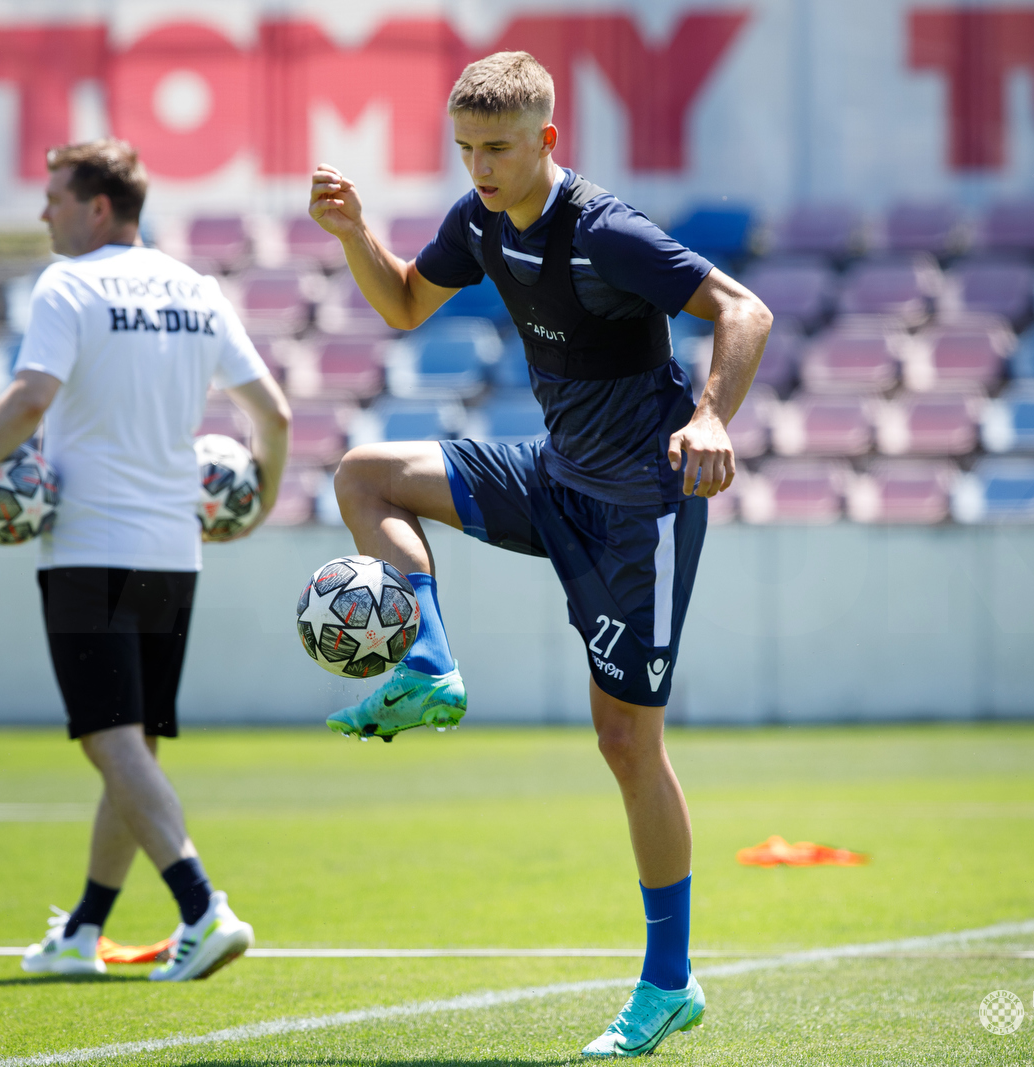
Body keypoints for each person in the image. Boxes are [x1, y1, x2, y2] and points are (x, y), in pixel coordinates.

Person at [308, 52, 771, 1057]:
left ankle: (666, 982)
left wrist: (709, 419)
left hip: (634, 507)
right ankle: (429, 662)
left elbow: (745, 310)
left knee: (625, 745)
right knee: (364, 475)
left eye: (499, 147)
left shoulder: (604, 229)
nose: (479, 165)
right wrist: (353, 235)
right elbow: (399, 302)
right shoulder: (477, 221)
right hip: (551, 475)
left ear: (547, 141)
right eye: (466, 147)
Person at [0, 138, 290, 982]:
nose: (43, 210)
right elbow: (270, 412)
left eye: (55, 194)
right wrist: (262, 500)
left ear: (99, 207)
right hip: (175, 550)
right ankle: (83, 930)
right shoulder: (196, 288)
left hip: (90, 545)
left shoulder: (69, 282)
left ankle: (203, 907)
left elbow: (30, 398)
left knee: (110, 740)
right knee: (134, 747)